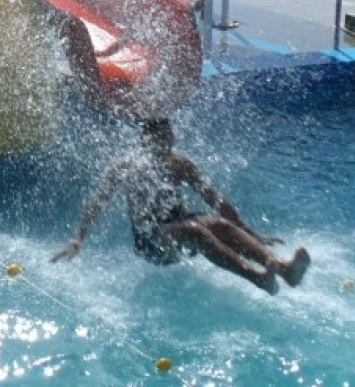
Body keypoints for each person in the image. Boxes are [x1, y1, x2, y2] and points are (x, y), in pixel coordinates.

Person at [51, 117, 311, 295]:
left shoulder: (180, 163)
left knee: (219, 225)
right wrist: (77, 239)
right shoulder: (127, 167)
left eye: (168, 138)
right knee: (195, 231)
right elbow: (97, 203)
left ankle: (284, 269)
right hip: (151, 239)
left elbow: (214, 198)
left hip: (181, 221)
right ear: (145, 142)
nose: (166, 144)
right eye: (159, 140)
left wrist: (251, 233)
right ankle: (258, 279)